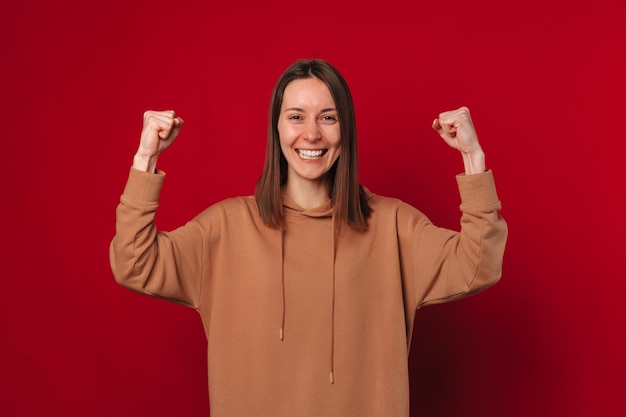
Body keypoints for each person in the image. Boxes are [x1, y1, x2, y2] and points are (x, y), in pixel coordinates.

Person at [110, 59, 507, 417]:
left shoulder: (393, 226)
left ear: (345, 128)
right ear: (277, 127)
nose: (311, 134)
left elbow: (478, 265)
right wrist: (145, 159)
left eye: (328, 117)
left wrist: (473, 159)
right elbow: (134, 263)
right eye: (296, 116)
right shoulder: (226, 228)